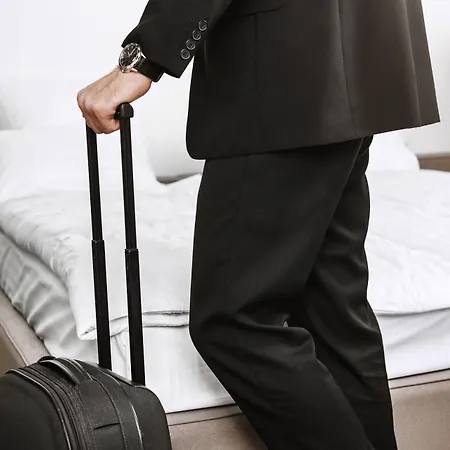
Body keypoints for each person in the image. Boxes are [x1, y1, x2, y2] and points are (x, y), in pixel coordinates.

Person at [78, 0, 439, 448]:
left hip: (281, 74)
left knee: (235, 321)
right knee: (332, 312)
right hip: (363, 56)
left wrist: (142, 59)